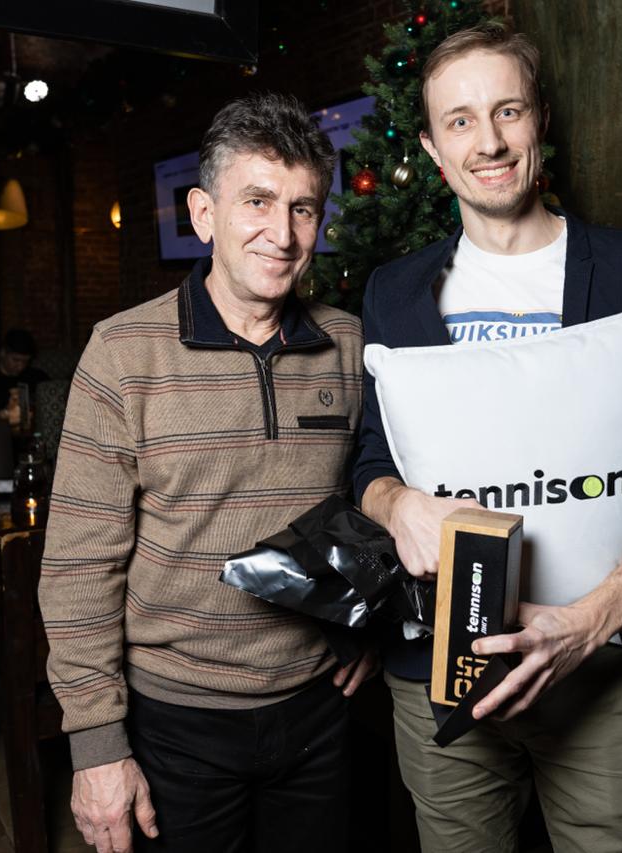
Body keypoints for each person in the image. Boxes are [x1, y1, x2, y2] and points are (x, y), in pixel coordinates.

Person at [354, 22, 622, 853]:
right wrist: (394, 502)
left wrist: (586, 623)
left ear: (540, 119)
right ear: (433, 149)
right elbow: (371, 456)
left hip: (607, 673)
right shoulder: (394, 294)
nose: (488, 141)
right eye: (461, 120)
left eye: (507, 110)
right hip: (442, 674)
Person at [38, 92, 374, 853]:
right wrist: (96, 744)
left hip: (318, 710)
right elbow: (78, 567)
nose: (282, 234)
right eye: (256, 201)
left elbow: (370, 499)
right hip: (175, 723)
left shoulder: (349, 344)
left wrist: (367, 625)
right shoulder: (123, 353)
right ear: (203, 214)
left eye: (302, 208)